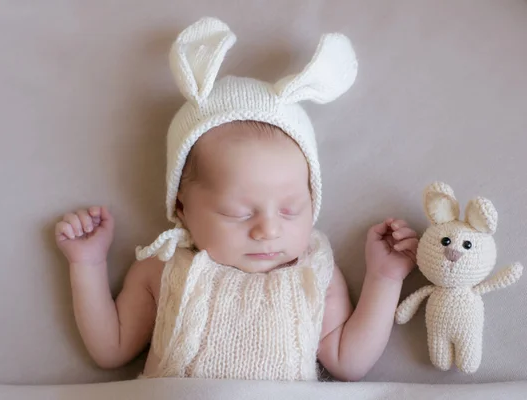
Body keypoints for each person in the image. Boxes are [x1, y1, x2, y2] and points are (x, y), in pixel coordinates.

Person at [55, 17, 418, 382]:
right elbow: (111, 349)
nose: (268, 230)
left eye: (291, 210)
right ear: (182, 208)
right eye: (238, 213)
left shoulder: (314, 272)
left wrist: (384, 279)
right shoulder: (163, 268)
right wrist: (87, 264)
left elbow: (348, 362)